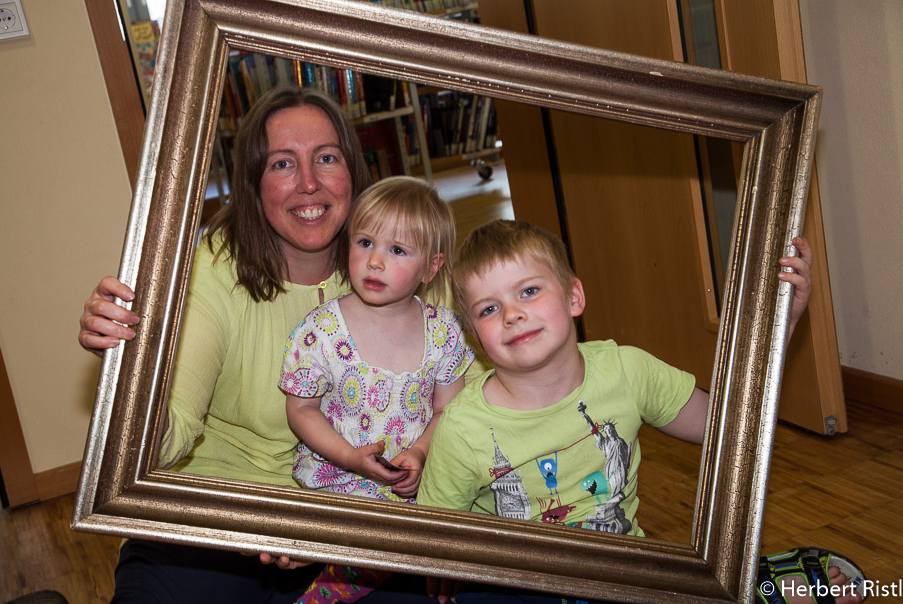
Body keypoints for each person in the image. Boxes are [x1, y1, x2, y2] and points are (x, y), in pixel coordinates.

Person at [77, 87, 436, 603]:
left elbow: (456, 408)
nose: (309, 184)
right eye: (282, 164)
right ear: (253, 183)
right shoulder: (209, 268)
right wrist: (129, 372)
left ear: (354, 171)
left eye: (327, 159)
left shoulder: (405, 261)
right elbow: (169, 433)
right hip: (217, 514)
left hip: (354, 524)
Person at [418, 219, 866, 604]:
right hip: (517, 588)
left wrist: (781, 326)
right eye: (490, 309)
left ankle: (746, 582)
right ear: (475, 334)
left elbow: (730, 426)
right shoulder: (462, 428)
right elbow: (434, 544)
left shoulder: (627, 371)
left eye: (529, 291)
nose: (512, 314)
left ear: (575, 297)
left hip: (622, 573)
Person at [280, 176, 475, 602]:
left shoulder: (442, 331)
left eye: (397, 250)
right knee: (374, 537)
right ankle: (322, 563)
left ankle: (340, 560)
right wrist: (351, 457)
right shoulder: (323, 330)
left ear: (432, 267)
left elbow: (450, 411)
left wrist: (421, 453)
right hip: (338, 482)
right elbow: (301, 410)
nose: (374, 262)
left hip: (413, 485)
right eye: (365, 242)